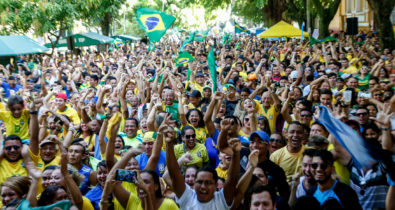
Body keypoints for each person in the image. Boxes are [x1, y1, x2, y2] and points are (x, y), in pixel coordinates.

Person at [165, 121, 240, 209]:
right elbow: (173, 174)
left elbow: (232, 179)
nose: (203, 186)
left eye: (208, 182)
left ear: (216, 185)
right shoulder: (187, 196)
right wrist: (169, 144)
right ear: (194, 182)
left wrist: (236, 154)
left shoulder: (222, 199)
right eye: (199, 182)